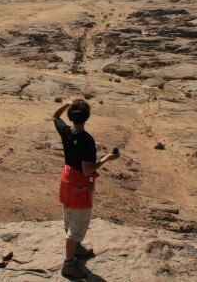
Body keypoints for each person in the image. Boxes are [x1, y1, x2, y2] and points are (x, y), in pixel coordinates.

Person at [53, 98, 119, 278]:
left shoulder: (65, 131)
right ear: (87, 117)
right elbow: (87, 169)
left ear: (71, 116)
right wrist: (106, 159)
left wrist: (67, 104)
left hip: (66, 179)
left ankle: (77, 247)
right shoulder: (87, 140)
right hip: (80, 184)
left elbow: (55, 116)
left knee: (68, 214)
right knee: (80, 219)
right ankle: (68, 263)